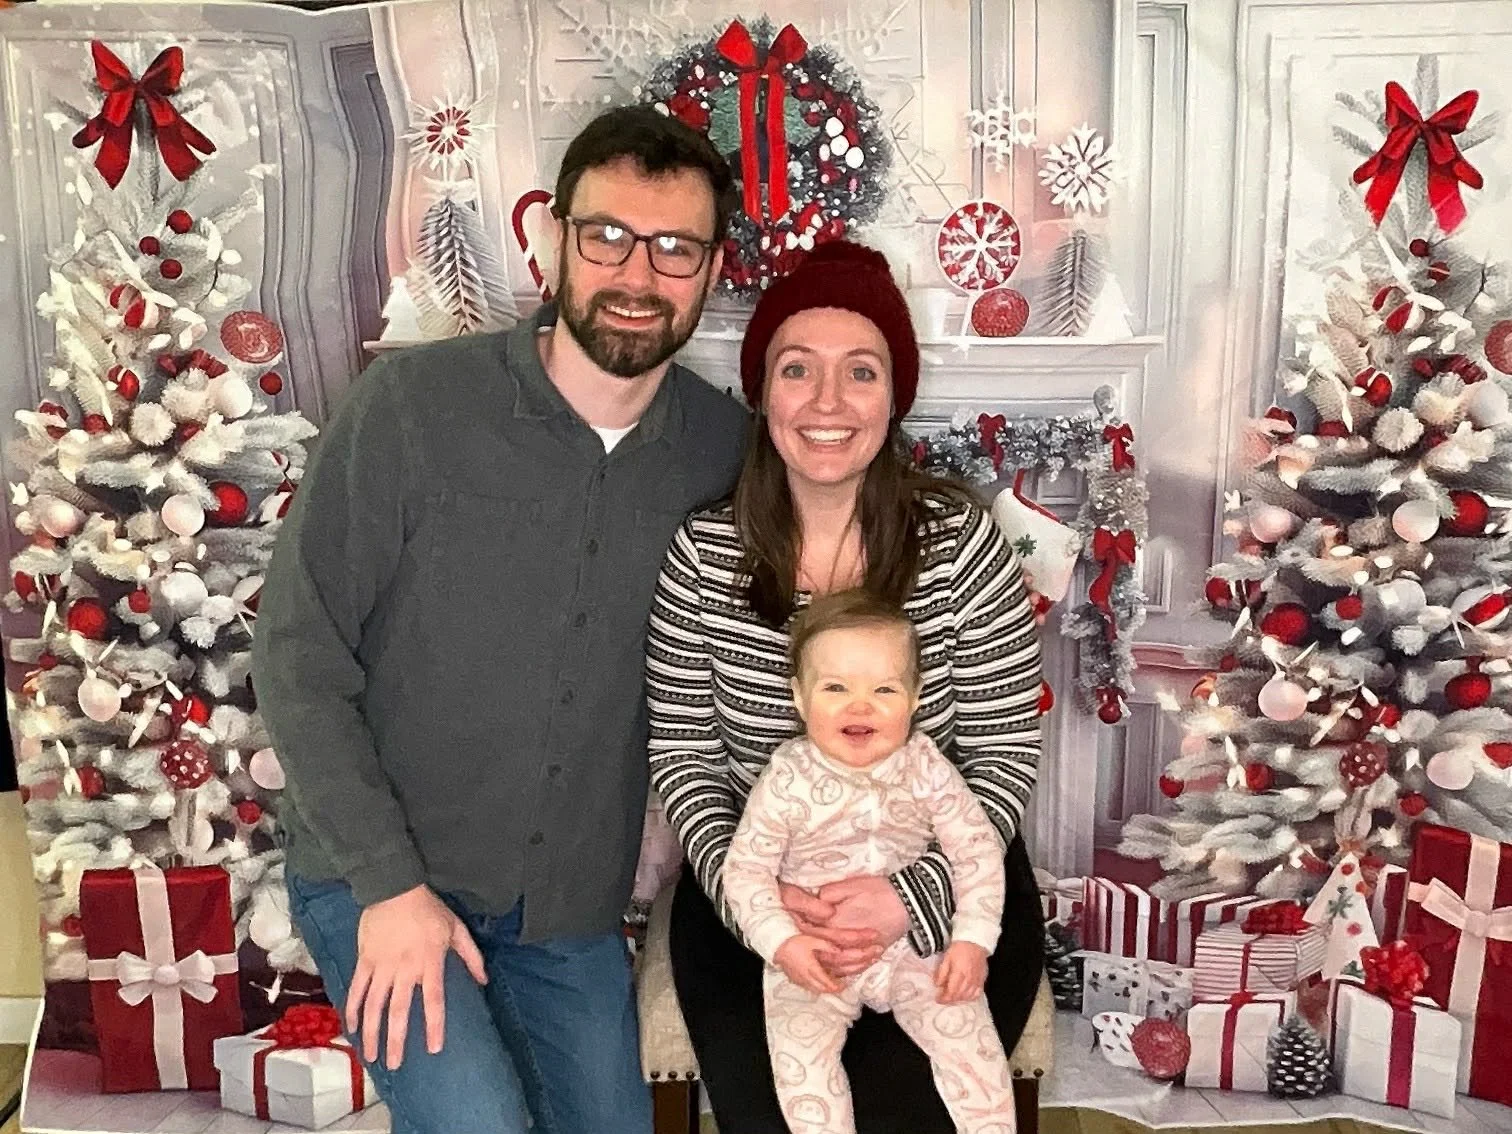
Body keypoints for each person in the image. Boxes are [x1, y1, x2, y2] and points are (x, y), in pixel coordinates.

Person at [251, 104, 749, 1134]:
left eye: (674, 248)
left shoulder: (722, 450)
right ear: (553, 236)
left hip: (563, 911)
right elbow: (299, 656)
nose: (637, 274)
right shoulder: (410, 408)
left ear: (711, 269)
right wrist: (389, 890)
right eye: (607, 235)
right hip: (379, 878)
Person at [646, 239, 1045, 1134]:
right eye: (798, 369)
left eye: (860, 371)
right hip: (761, 877)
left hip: (949, 873)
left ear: (893, 395)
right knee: (779, 1111)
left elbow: (1004, 751)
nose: (827, 402)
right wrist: (760, 902)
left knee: (916, 1107)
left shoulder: (960, 544)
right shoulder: (703, 555)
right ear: (762, 392)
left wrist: (913, 895)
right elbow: (685, 756)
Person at [724, 590, 1015, 1134]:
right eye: (835, 688)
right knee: (802, 1070)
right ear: (799, 696)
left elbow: (975, 851)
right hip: (818, 953)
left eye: (884, 689)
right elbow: (745, 871)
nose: (860, 706)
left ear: (915, 697)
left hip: (920, 947)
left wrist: (973, 940)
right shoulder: (786, 779)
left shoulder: (926, 767)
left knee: (974, 1052)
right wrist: (782, 943)